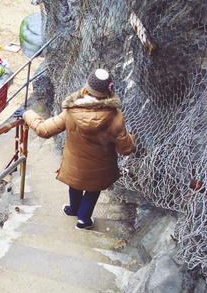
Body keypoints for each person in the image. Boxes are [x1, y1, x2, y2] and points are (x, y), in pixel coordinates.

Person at [14, 69, 135, 230]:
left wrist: (27, 114)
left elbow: (43, 130)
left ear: (87, 88)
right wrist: (128, 137)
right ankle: (83, 219)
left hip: (75, 163)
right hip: (100, 168)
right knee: (93, 190)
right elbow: (125, 149)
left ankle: (73, 210)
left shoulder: (71, 112)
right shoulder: (116, 117)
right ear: (108, 91)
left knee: (75, 183)